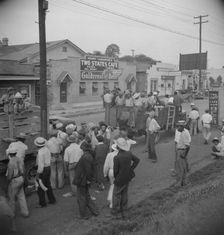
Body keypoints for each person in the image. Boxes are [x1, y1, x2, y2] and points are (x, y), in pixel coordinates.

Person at [111, 138, 140, 218]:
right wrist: (131, 168)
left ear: (119, 147)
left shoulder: (117, 157)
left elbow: (115, 171)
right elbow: (137, 160)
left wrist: (116, 177)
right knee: (124, 193)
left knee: (116, 195)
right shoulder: (129, 153)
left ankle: (115, 211)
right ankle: (124, 210)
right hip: (127, 176)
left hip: (119, 178)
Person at [73, 141, 99, 219]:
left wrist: (88, 180)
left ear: (84, 149)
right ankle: (95, 211)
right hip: (84, 179)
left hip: (82, 180)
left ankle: (83, 215)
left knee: (81, 198)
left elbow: (88, 170)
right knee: (87, 196)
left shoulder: (86, 157)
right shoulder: (89, 156)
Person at [7, 148, 29, 223]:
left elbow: (10, 175)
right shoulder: (20, 159)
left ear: (10, 154)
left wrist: (8, 180)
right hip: (21, 178)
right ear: (15, 153)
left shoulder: (10, 162)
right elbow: (24, 169)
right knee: (21, 196)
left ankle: (11, 214)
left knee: (11, 198)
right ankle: (25, 213)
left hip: (15, 180)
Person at [34, 137, 56, 208]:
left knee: (40, 186)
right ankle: (52, 199)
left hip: (43, 170)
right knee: (47, 184)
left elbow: (40, 166)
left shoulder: (40, 152)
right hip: (48, 168)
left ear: (37, 145)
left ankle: (42, 203)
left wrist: (38, 174)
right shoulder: (47, 149)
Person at [174, 120, 191, 186]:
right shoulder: (183, 133)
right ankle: (184, 182)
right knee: (183, 168)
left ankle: (179, 183)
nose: (177, 128)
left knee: (180, 168)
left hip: (181, 151)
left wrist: (184, 154)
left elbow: (188, 146)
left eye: (178, 127)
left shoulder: (184, 134)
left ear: (182, 127)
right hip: (181, 150)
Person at [103, 144, 118, 208]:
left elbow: (106, 166)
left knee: (112, 186)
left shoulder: (109, 155)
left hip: (111, 171)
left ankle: (111, 201)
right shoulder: (121, 154)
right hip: (119, 171)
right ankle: (116, 202)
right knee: (118, 186)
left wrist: (105, 173)